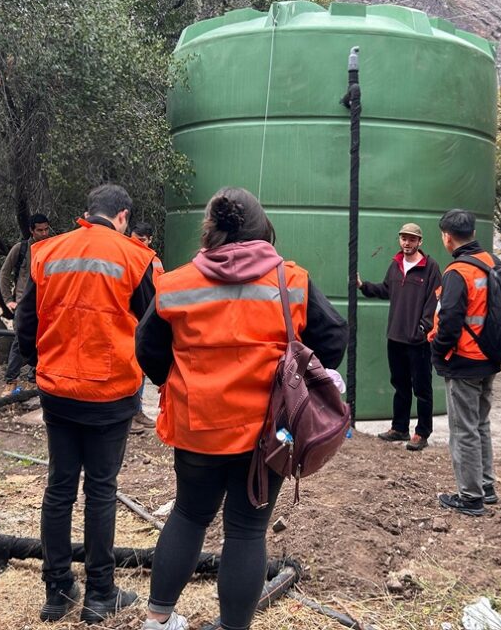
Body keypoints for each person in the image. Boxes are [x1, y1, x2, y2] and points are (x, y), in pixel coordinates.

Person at [135, 187, 347, 630]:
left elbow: (148, 346)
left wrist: (175, 381)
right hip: (267, 436)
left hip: (197, 429)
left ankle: (157, 620)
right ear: (262, 228)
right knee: (248, 531)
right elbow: (333, 336)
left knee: (189, 515)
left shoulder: (175, 283)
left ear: (211, 231)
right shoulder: (293, 281)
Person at [15, 184, 156, 624]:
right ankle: (100, 594)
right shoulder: (137, 258)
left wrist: (45, 364)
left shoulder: (46, 252)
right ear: (123, 216)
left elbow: (25, 322)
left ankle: (57, 592)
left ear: (86, 212)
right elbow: (154, 328)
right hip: (110, 393)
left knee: (59, 488)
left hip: (57, 391)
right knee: (101, 490)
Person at [429, 209, 500, 517]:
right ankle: (486, 486)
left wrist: (438, 353)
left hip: (464, 360)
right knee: (480, 424)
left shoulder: (458, 272)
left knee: (463, 430)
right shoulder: (490, 263)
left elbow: (449, 321)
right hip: (489, 358)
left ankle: (470, 496)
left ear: (447, 237)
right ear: (472, 232)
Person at [358, 223, 441, 451]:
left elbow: (435, 301)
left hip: (418, 342)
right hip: (395, 337)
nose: (407, 242)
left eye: (412, 239)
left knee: (422, 389)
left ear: (420, 242)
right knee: (400, 385)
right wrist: (363, 286)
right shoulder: (395, 265)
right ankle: (400, 428)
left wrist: (423, 328)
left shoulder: (431, 268)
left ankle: (422, 433)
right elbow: (386, 289)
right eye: (404, 238)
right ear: (399, 240)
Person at [0, 213, 51, 395]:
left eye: (46, 229)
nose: (44, 233)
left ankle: (33, 381)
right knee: (19, 342)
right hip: (23, 304)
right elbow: (3, 273)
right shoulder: (20, 249)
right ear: (31, 230)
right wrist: (8, 300)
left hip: (45, 303)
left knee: (43, 342)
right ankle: (11, 381)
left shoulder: (54, 246)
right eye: (39, 230)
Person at [129, 221, 164, 430]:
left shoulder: (155, 262)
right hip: (133, 320)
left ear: (150, 240)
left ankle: (137, 411)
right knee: (131, 368)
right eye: (135, 239)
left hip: (150, 318)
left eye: (142, 240)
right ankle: (130, 414)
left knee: (141, 369)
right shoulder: (128, 259)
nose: (138, 244)